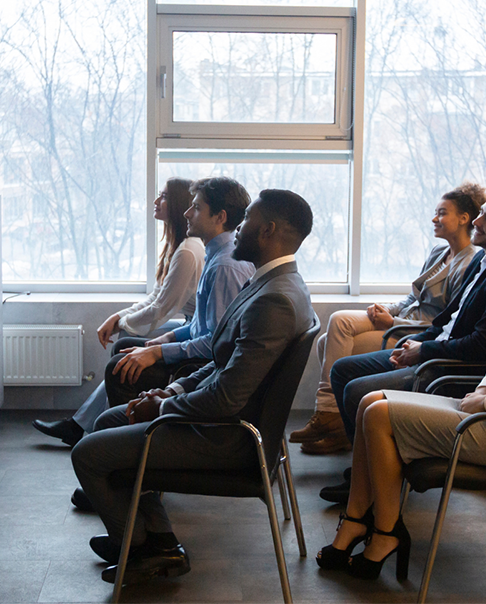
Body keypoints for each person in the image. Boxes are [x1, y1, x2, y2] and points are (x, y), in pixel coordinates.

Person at [318, 218, 486, 582]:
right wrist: (483, 390)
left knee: (378, 414)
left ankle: (383, 531)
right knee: (370, 403)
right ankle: (359, 521)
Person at [71, 189, 316, 586]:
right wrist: (170, 392)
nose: (237, 229)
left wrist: (162, 408)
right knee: (109, 421)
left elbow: (228, 396)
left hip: (227, 439)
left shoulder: (275, 300)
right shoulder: (273, 283)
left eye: (247, 219)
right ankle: (156, 540)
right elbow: (221, 364)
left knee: (87, 454)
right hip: (219, 419)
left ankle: (136, 546)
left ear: (267, 230)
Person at [317, 185, 486, 504]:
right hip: (433, 350)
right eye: (479, 215)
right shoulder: (484, 260)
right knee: (342, 370)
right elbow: (445, 319)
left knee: (357, 390)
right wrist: (416, 342)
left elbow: (484, 346)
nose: (476, 223)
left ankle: (373, 484)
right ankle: (369, 471)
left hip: (451, 368)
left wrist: (423, 350)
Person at [291, 183, 485, 455]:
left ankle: (329, 415)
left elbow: (447, 323)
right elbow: (412, 298)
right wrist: (388, 310)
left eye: (442, 213)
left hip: (411, 332)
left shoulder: (470, 264)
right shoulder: (438, 253)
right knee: (333, 331)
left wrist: (393, 324)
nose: (434, 219)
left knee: (331, 334)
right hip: (401, 321)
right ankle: (333, 421)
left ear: (464, 218)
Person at [33, 178, 204, 446]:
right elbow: (157, 296)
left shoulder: (189, 252)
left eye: (164, 196)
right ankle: (84, 427)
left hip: (193, 336)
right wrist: (118, 317)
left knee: (121, 353)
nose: (157, 202)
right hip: (189, 328)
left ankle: (106, 435)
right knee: (123, 347)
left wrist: (122, 322)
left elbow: (161, 309)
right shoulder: (179, 247)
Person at [100, 177, 255, 408]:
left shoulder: (225, 266)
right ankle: (109, 428)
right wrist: (168, 339)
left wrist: (160, 352)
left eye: (197, 207)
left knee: (118, 367)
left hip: (203, 366)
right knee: (125, 350)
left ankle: (134, 435)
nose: (187, 213)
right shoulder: (215, 253)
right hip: (200, 350)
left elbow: (217, 344)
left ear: (220, 217)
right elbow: (203, 326)